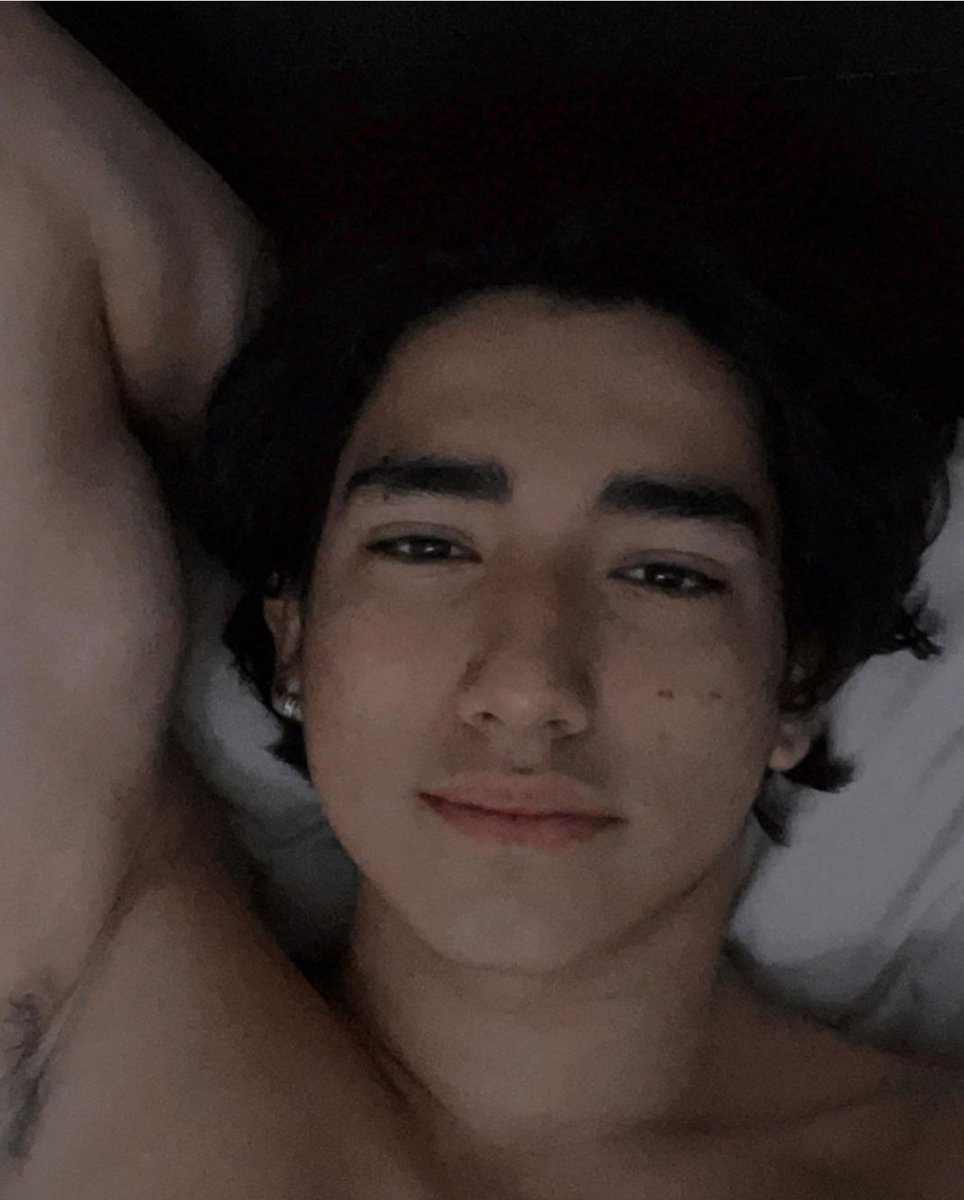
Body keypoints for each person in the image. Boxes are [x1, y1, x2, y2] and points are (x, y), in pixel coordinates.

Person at [2, 5, 963, 1198]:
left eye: (664, 573)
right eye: (424, 546)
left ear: (799, 676)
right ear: (293, 633)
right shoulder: (92, 989)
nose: (526, 686)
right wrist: (282, 431)